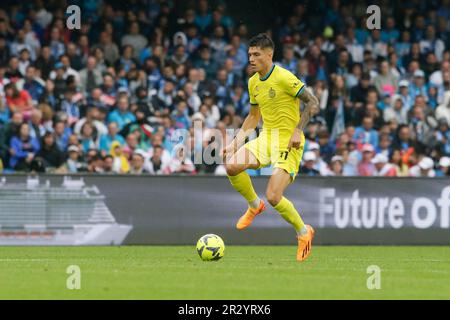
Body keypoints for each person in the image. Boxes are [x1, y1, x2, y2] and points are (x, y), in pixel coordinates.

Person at [220, 34, 319, 262]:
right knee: (232, 165)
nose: (251, 59)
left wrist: (298, 130)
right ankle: (254, 205)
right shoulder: (253, 82)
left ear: (269, 55)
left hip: (288, 141)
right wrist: (235, 143)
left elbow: (312, 102)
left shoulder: (284, 77)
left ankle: (304, 232)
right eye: (249, 55)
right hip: (267, 138)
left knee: (274, 196)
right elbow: (253, 116)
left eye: (256, 55)